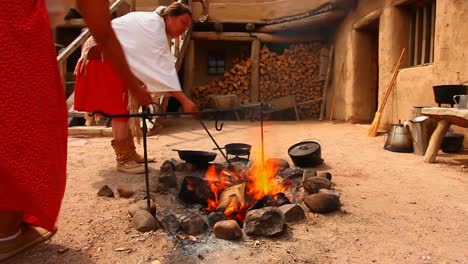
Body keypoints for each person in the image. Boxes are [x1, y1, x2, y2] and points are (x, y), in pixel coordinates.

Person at [0, 0, 153, 261]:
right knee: (24, 136)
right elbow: (103, 34)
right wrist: (136, 87)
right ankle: (5, 235)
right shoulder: (147, 26)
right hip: (19, 53)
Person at [74, 2, 198, 174]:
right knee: (120, 109)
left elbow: (146, 61)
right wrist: (184, 101)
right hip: (100, 56)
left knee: (124, 107)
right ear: (169, 18)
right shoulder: (154, 29)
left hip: (110, 56)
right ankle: (123, 159)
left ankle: (130, 153)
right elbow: (162, 70)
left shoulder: (155, 24)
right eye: (183, 23)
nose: (184, 29)